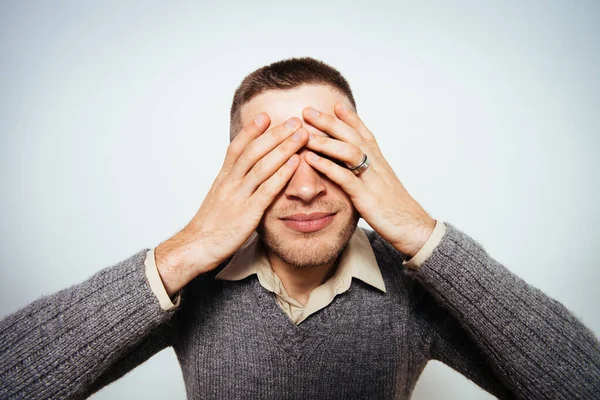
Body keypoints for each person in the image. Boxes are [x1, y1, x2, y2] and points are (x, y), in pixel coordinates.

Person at [0, 57, 599, 400]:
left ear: (368, 161)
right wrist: (189, 249)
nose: (307, 187)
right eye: (274, 160)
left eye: (329, 154)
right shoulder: (197, 282)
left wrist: (419, 233)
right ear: (234, 172)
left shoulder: (412, 286)